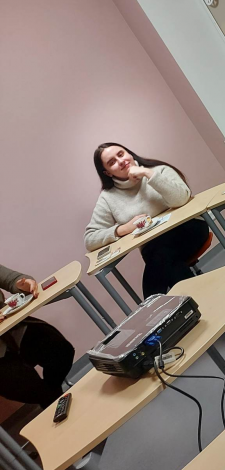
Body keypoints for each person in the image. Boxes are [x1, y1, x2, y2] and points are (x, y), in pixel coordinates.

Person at [85, 143, 209, 298]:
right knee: (169, 263)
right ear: (107, 173)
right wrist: (123, 229)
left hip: (188, 229)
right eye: (112, 162)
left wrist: (147, 173)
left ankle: (154, 304)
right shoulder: (108, 197)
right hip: (155, 248)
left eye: (121, 154)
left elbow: (181, 198)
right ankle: (201, 300)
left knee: (161, 257)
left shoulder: (159, 170)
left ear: (129, 154)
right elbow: (90, 239)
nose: (121, 161)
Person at [0, 265, 74, 409]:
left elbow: (12, 279)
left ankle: (54, 401)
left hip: (13, 329)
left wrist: (23, 285)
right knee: (28, 387)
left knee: (60, 350)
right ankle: (56, 404)